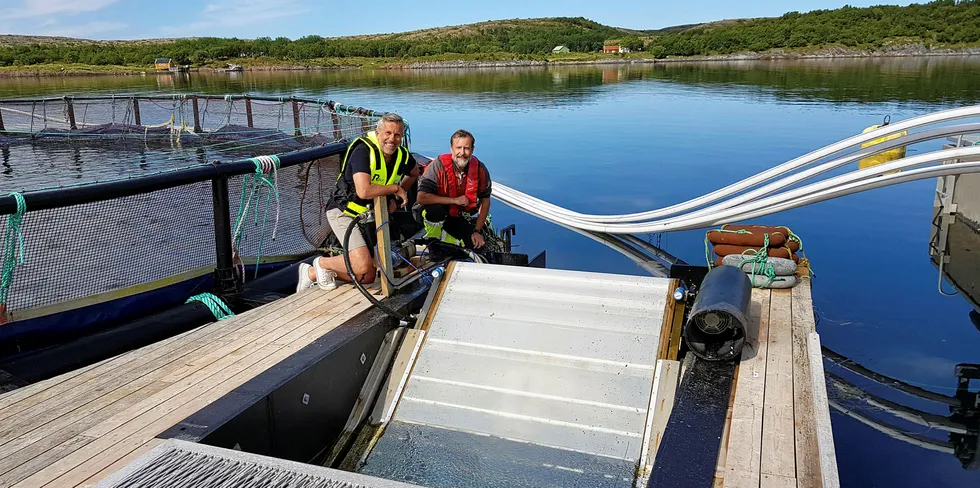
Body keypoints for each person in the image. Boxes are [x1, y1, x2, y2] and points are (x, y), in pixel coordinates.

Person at [297, 113, 418, 292]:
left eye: (397, 135)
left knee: (367, 276)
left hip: (369, 216)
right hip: (344, 212)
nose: (392, 139)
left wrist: (394, 197)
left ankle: (313, 273)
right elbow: (364, 190)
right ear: (377, 134)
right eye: (387, 133)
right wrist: (394, 189)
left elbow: (414, 173)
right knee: (362, 265)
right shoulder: (363, 151)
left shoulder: (402, 155)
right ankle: (322, 262)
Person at [416, 129, 492, 250]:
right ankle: (433, 241)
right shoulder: (438, 165)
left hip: (457, 215)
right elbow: (421, 197)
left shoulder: (480, 169)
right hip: (432, 213)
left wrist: (477, 230)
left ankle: (451, 242)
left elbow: (485, 200)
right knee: (435, 212)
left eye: (466, 148)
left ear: (472, 150)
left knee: (475, 245)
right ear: (451, 149)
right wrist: (454, 200)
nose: (462, 152)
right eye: (458, 148)